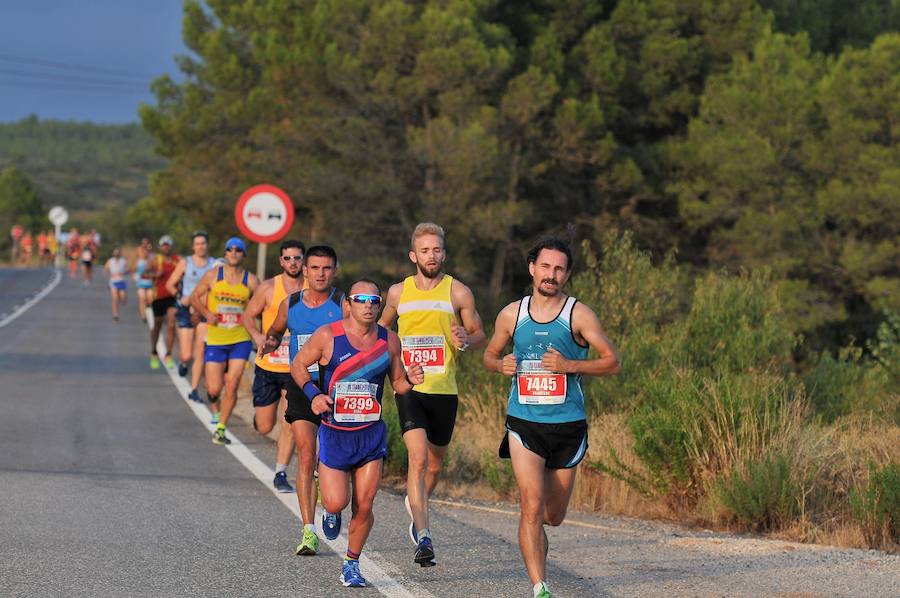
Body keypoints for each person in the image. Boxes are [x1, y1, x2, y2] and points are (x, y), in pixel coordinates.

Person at [482, 237, 620, 598]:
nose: (551, 274)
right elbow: (490, 355)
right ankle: (539, 586)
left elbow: (612, 361)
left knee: (552, 514)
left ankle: (536, 538)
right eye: (545, 267)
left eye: (559, 269)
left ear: (567, 275)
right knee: (530, 504)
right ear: (532, 268)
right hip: (524, 422)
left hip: (567, 425)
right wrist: (501, 364)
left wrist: (569, 365)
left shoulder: (579, 315)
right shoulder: (512, 314)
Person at [288, 279, 424, 588]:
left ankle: (351, 563)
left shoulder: (390, 341)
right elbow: (298, 365)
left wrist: (412, 380)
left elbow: (399, 384)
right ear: (348, 304)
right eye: (361, 299)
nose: (368, 305)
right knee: (336, 502)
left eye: (374, 301)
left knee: (364, 504)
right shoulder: (328, 336)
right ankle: (331, 513)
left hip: (370, 434)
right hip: (336, 434)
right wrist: (313, 394)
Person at [378, 222, 485, 566]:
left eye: (437, 250)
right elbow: (381, 332)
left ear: (444, 253)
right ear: (413, 255)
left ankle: (418, 504)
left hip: (444, 389)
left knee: (435, 463)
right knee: (419, 459)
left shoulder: (458, 293)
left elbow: (479, 332)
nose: (432, 255)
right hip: (409, 386)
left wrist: (466, 340)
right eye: (425, 250)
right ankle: (424, 537)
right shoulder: (398, 292)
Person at [261, 245, 346, 556]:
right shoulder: (291, 303)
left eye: (326, 268)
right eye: (314, 268)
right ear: (305, 271)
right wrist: (268, 343)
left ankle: (333, 506)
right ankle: (308, 530)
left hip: (337, 389)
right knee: (307, 454)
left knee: (331, 456)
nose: (320, 274)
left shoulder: (342, 304)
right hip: (301, 385)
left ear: (334, 270)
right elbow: (274, 330)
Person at [243, 240, 306, 494]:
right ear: (281, 261)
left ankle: (280, 472)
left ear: (303, 261)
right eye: (288, 258)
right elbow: (248, 315)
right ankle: (259, 415)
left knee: (289, 422)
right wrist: (258, 338)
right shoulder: (269, 288)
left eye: (297, 258)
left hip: (296, 369)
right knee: (266, 426)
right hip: (269, 365)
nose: (293, 263)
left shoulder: (312, 290)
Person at [190, 237, 259, 445]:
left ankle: (221, 428)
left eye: (239, 250)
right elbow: (194, 297)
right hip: (217, 338)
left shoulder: (251, 281)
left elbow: (263, 305)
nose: (234, 253)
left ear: (243, 254)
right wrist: (206, 313)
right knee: (213, 388)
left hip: (240, 338)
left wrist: (260, 332)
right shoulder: (213, 275)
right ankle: (216, 407)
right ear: (226, 253)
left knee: (233, 383)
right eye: (230, 249)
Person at [166, 231, 219, 398]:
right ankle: (183, 362)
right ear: (192, 246)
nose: (200, 246)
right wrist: (181, 298)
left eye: (203, 243)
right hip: (186, 309)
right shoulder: (185, 263)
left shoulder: (213, 264)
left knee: (201, 350)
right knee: (187, 354)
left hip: (205, 310)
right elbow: (170, 284)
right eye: (197, 244)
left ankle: (195, 388)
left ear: (207, 245)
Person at [146, 235, 180, 369]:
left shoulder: (177, 260)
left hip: (172, 296)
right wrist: (155, 275)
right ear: (160, 247)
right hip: (158, 296)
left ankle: (168, 354)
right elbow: (143, 274)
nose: (166, 247)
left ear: (171, 246)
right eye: (164, 245)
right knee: (157, 325)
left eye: (168, 245)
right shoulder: (156, 259)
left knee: (172, 324)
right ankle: (154, 352)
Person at [104, 246, 129, 321]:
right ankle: (115, 314)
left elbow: (128, 269)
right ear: (113, 253)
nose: (116, 254)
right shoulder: (110, 261)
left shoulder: (123, 261)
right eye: (115, 253)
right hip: (113, 281)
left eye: (117, 253)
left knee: (123, 299)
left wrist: (123, 273)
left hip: (121, 281)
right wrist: (111, 273)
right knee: (114, 299)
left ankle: (121, 298)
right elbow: (105, 269)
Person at [134, 239, 154, 322]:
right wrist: (134, 275)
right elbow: (133, 268)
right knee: (142, 298)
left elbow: (152, 268)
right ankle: (143, 316)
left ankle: (148, 307)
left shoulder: (151, 258)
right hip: (140, 282)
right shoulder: (138, 261)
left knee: (150, 298)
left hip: (149, 282)